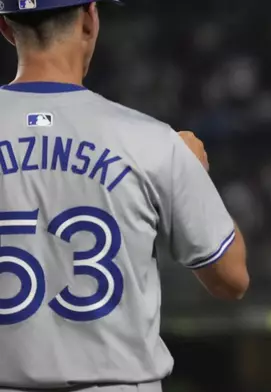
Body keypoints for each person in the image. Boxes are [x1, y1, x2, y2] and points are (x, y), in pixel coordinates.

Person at [0, 1, 249, 391]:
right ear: (88, 18)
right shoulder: (151, 142)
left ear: (6, 28)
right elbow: (231, 280)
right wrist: (192, 177)